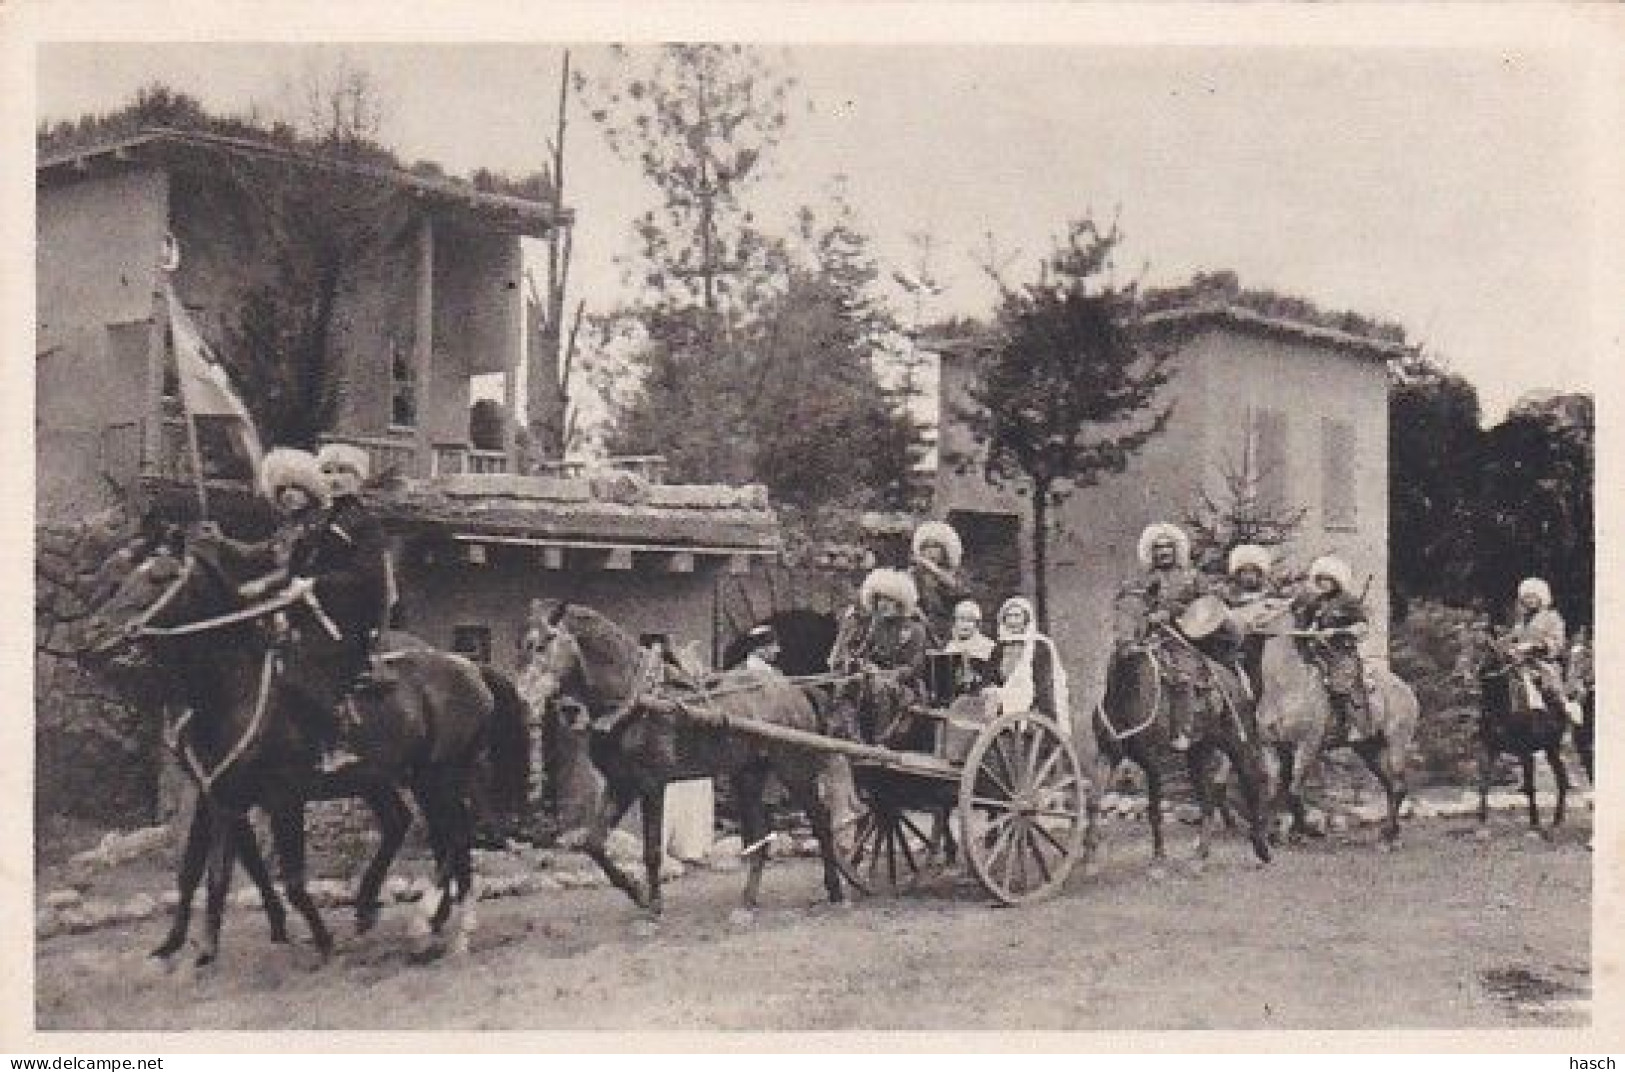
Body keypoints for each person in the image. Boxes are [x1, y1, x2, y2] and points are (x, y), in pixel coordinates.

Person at [829, 568, 931, 744]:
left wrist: (886, 674)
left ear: (900, 603)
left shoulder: (915, 630)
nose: (884, 604)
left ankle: (881, 739)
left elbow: (914, 668)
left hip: (905, 686)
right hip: (872, 678)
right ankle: (852, 736)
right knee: (846, 686)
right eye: (880, 599)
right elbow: (864, 652)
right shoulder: (874, 626)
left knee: (879, 686)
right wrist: (860, 663)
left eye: (889, 600)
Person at [1292, 555, 1371, 743]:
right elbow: (1304, 623)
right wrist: (1306, 633)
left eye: (1328, 580)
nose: (1324, 583)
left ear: (1336, 581)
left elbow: (1362, 627)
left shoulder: (1349, 602)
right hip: (1317, 652)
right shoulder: (1316, 602)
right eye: (1321, 579)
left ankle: (1348, 725)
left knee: (1339, 685)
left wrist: (1337, 631)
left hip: (1341, 653)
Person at [986, 597, 1071, 737]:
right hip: (1002, 702)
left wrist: (1046, 717)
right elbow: (990, 675)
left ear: (1026, 619)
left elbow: (1044, 685)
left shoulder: (1039, 646)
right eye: (1008, 616)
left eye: (1017, 616)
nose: (1012, 621)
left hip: (1032, 702)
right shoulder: (999, 648)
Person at [1509, 577, 1579, 722]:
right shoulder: (1521, 621)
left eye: (1532, 596)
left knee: (1549, 684)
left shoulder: (1553, 618)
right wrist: (1510, 647)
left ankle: (1566, 712)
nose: (1529, 600)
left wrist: (1536, 645)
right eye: (1526, 597)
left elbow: (1558, 643)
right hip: (1521, 662)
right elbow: (1514, 639)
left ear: (1541, 597)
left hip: (1544, 661)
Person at [909, 520, 967, 647]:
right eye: (926, 547)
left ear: (944, 549)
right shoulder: (914, 574)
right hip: (922, 629)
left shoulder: (955, 573)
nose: (930, 552)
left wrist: (934, 570)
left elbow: (961, 592)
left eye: (935, 547)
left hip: (949, 628)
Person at [943, 599, 997, 693]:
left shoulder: (988, 646)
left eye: (969, 621)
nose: (965, 625)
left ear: (977, 624)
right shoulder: (950, 646)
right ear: (955, 622)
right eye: (961, 619)